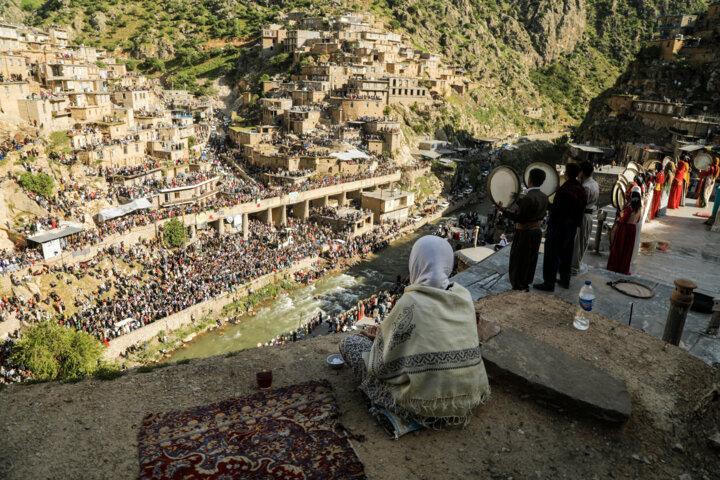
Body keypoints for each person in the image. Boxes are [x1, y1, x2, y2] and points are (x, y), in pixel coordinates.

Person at [339, 235, 490, 427]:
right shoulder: (463, 295)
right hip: (468, 397)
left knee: (350, 344)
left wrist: (379, 341)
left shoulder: (411, 302)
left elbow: (382, 367)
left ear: (416, 262)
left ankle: (392, 411)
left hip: (422, 408)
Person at [534, 162, 587, 292]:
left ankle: (549, 283)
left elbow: (557, 210)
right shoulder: (580, 189)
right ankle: (565, 280)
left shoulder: (564, 189)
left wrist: (547, 205)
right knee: (567, 252)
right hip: (572, 226)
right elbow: (581, 207)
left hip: (560, 225)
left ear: (567, 174)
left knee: (551, 253)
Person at [498, 168, 548, 291]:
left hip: (525, 234)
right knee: (530, 259)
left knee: (519, 260)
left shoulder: (528, 198)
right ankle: (525, 282)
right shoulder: (544, 196)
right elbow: (531, 209)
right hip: (536, 233)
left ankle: (518, 285)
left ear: (529, 180)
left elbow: (521, 218)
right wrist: (518, 199)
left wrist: (503, 211)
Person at [571, 161, 599, 276]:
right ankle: (576, 265)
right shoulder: (594, 184)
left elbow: (581, 203)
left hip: (583, 215)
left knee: (578, 243)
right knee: (583, 241)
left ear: (582, 172)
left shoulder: (586, 187)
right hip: (589, 215)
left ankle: (574, 267)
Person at [607, 191, 643, 275]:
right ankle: (624, 268)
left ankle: (615, 266)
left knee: (619, 248)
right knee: (627, 250)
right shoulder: (639, 208)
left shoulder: (629, 208)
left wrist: (620, 217)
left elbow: (624, 219)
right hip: (632, 230)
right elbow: (637, 220)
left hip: (624, 229)